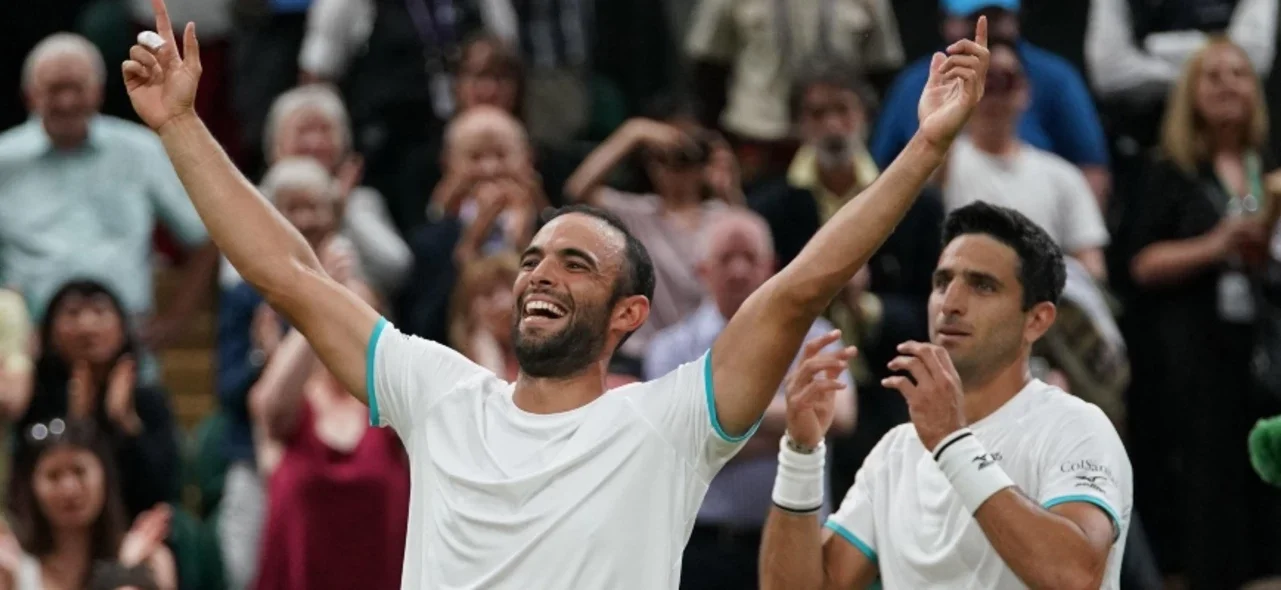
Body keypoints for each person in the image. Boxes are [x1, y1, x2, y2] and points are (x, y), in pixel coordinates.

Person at [121, 1, 990, 586]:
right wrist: (182, 127)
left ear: (629, 315)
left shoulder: (669, 421)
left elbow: (798, 288)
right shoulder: (441, 393)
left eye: (575, 263)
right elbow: (292, 273)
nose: (539, 272)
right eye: (536, 256)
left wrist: (919, 149)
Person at [759, 202, 1133, 589]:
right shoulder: (896, 452)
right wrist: (800, 454)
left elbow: (1073, 577)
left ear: (1036, 320)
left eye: (983, 285)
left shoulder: (1076, 427)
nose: (950, 304)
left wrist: (952, 444)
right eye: (942, 282)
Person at [1118, 38, 1281, 588]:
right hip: (1191, 350)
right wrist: (1218, 245)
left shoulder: (1268, 167)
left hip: (1258, 343)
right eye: (1213, 76)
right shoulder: (1169, 171)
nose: (1229, 84)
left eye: (1239, 73)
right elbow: (1140, 263)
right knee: (1209, 479)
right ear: (1191, 93)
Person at [642, 209, 856, 590]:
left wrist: (718, 425)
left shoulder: (814, 336)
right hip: (703, 548)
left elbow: (839, 417)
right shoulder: (670, 349)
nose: (739, 271)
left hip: (799, 543)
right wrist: (795, 427)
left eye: (750, 258)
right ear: (702, 270)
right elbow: (676, 443)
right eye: (726, 258)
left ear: (772, 266)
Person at [1, 280, 181, 519]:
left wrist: (124, 422)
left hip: (131, 527)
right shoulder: (35, 398)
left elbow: (161, 491)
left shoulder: (148, 400)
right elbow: (24, 481)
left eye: (100, 311)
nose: (87, 326)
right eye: (72, 313)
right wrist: (76, 427)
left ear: (123, 327)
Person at [0, 419, 176, 590]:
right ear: (32, 487)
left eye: (79, 471)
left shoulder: (148, 557)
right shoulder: (13, 564)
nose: (69, 489)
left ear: (104, 477)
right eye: (53, 476)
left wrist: (127, 569)